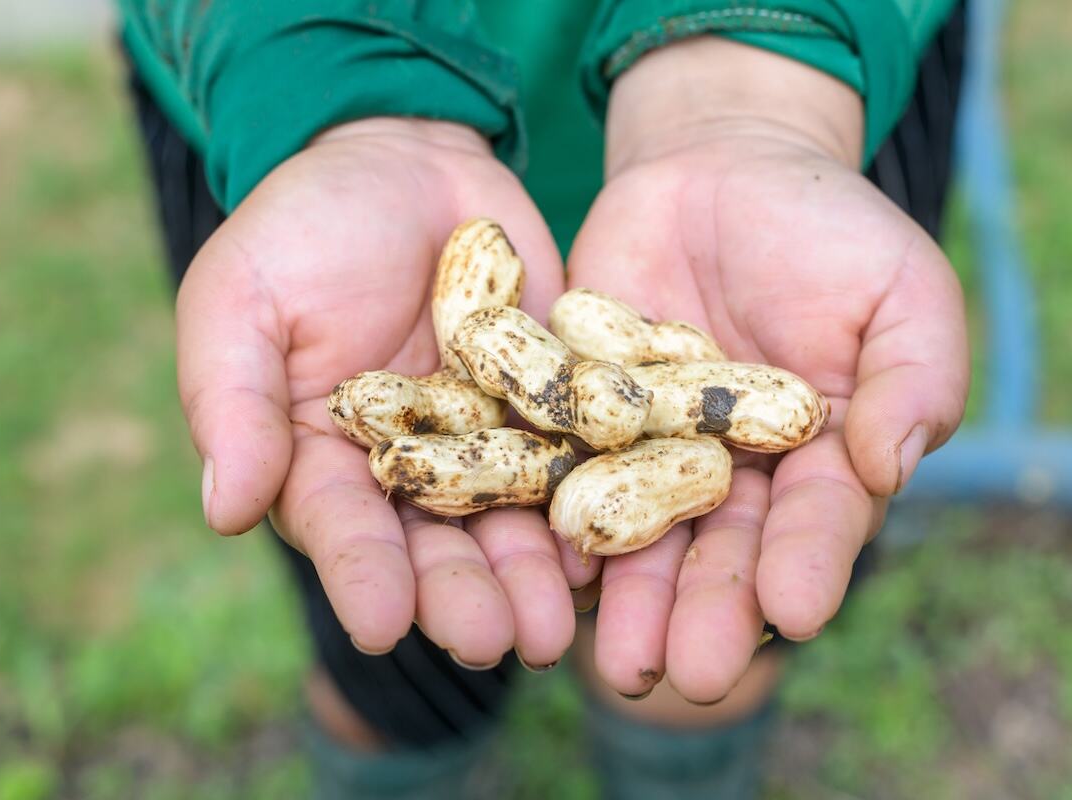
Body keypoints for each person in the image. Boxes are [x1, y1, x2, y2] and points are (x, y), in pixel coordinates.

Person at [120, 1, 970, 796]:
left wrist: (757, 84)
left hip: (804, 97)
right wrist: (342, 79)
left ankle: (683, 766)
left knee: (722, 624)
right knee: (392, 655)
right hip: (299, 116)